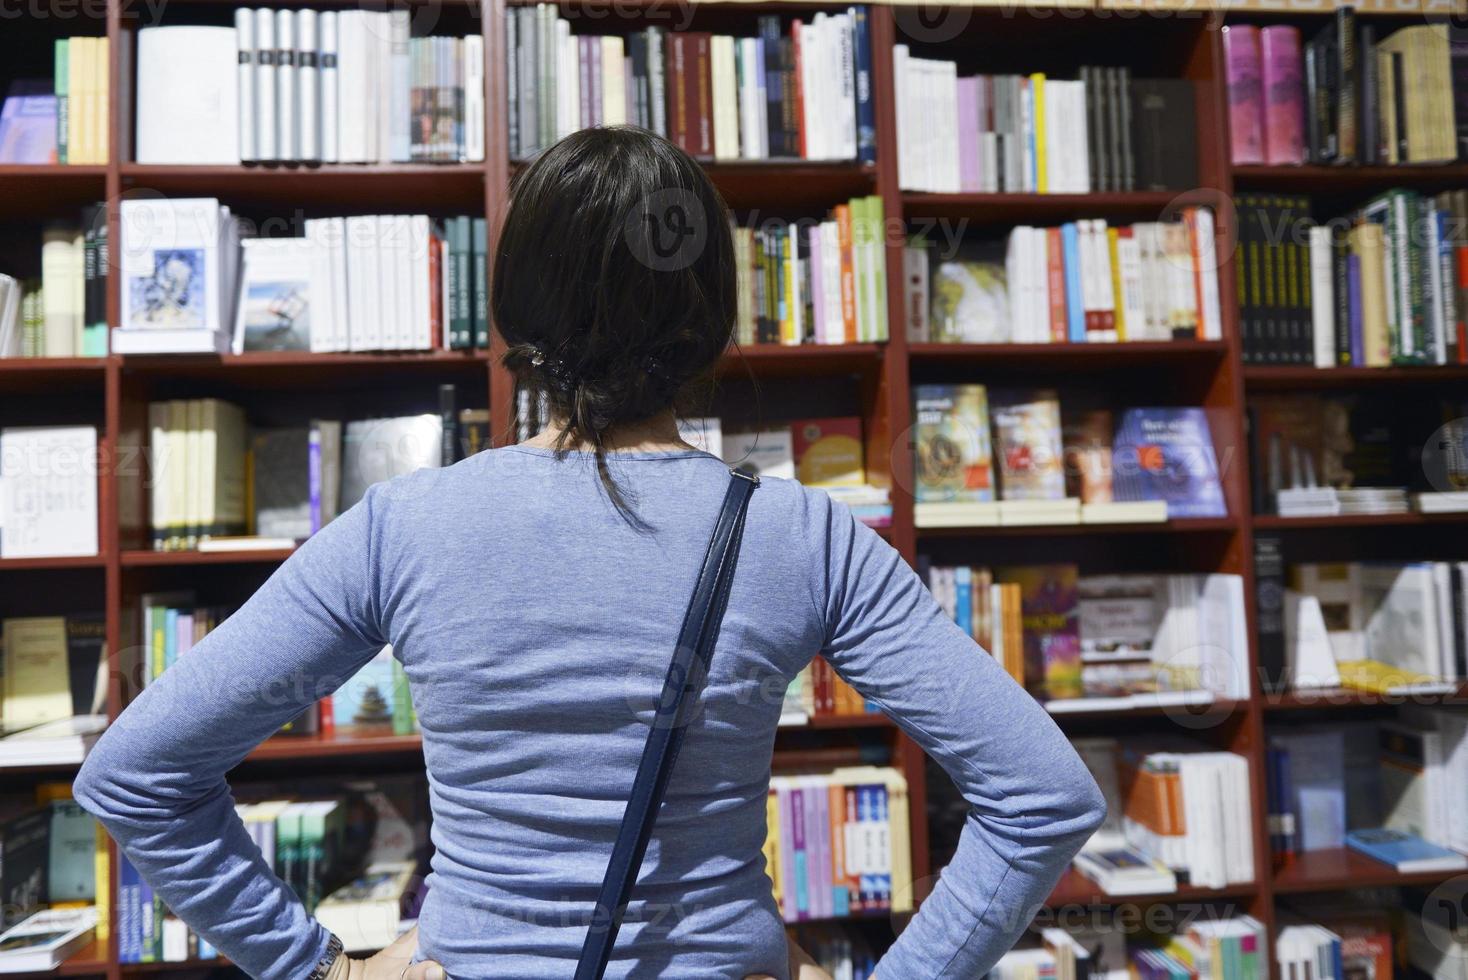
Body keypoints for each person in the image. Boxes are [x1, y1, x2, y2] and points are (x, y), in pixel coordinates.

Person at [74, 127, 1106, 980]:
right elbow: (1044, 796)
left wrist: (318, 967)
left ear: (514, 319)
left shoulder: (403, 525)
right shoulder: (807, 534)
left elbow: (136, 774)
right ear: (712, 321)